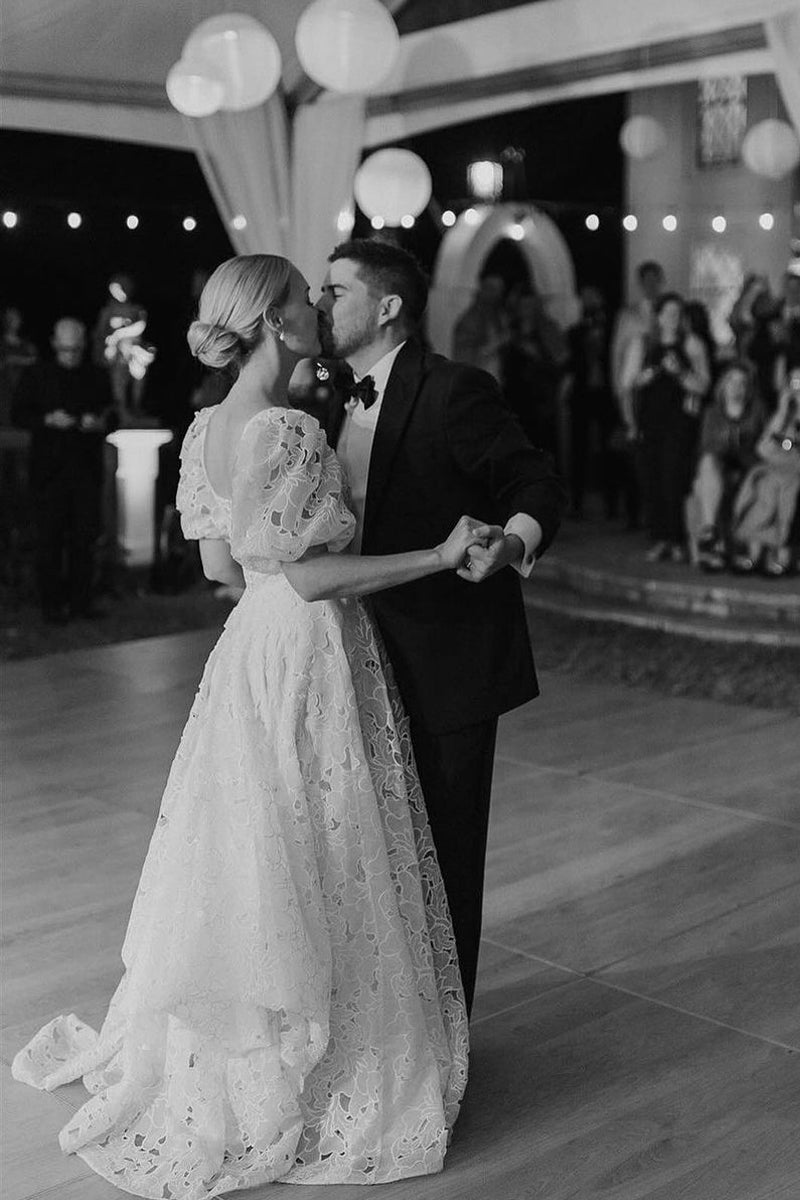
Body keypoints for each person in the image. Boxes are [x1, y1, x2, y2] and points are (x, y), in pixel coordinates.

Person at [12, 254, 474, 1194]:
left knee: (261, 841)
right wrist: (439, 552)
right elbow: (308, 575)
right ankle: (330, 1057)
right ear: (273, 321)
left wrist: (284, 572)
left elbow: (224, 567)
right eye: (305, 297)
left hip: (247, 651)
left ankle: (250, 1032)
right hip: (307, 647)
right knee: (323, 839)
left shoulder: (207, 427)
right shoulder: (289, 428)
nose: (317, 308)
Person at [316, 238, 567, 1015]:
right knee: (370, 852)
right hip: (352, 656)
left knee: (446, 857)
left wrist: (511, 544)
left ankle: (447, 1039)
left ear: (387, 306)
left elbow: (535, 480)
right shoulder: (328, 396)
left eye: (336, 291)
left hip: (445, 660)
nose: (322, 303)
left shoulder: (453, 389)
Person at [11, 317, 112, 621]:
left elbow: (112, 413)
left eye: (75, 349)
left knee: (84, 539)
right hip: (49, 472)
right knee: (49, 540)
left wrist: (99, 423)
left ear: (83, 346)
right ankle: (51, 605)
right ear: (54, 344)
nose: (70, 355)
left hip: (85, 469)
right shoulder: (36, 375)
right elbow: (18, 414)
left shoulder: (96, 375)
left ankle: (81, 602)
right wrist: (47, 420)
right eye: (65, 349)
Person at [623, 292, 711, 562]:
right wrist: (643, 380)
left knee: (674, 478)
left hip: (679, 422)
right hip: (650, 421)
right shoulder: (643, 344)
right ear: (658, 317)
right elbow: (627, 384)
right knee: (652, 480)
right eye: (668, 313)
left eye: (677, 313)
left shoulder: (691, 344)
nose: (673, 318)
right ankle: (660, 538)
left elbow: (703, 384)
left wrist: (679, 373)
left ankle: (676, 539)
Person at [689, 361, 765, 571]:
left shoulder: (757, 411)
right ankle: (710, 531)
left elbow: (765, 444)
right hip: (719, 464)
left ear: (748, 388)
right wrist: (727, 440)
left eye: (742, 383)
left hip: (747, 464)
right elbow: (707, 446)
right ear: (723, 385)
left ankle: (731, 546)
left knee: (747, 480)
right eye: (732, 381)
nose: (736, 387)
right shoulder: (713, 412)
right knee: (707, 466)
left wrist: (742, 442)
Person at [732, 361, 800, 577]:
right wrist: (782, 411)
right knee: (764, 485)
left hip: (795, 472)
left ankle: (783, 554)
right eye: (794, 382)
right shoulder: (783, 414)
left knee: (787, 489)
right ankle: (755, 553)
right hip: (776, 467)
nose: (797, 388)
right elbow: (763, 449)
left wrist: (786, 445)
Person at [503, 287, 569, 461]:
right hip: (515, 397)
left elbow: (561, 360)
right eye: (523, 305)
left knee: (542, 444)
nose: (527, 309)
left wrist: (537, 354)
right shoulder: (511, 329)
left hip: (542, 399)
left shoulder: (548, 328)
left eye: (531, 305)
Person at [451, 272, 510, 384]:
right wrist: (495, 344)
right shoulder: (470, 320)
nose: (496, 295)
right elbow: (464, 357)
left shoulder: (499, 317)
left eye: (499, 290)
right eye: (491, 289)